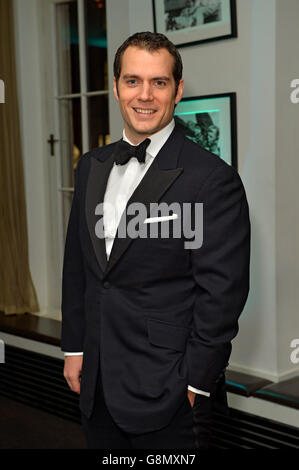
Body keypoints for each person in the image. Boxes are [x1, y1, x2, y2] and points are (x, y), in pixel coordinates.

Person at [61, 31, 250, 449]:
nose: (144, 95)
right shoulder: (91, 166)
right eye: (132, 81)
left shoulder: (212, 179)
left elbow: (222, 293)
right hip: (96, 380)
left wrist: (196, 385)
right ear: (116, 87)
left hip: (169, 389)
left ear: (177, 90)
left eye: (158, 82)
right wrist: (74, 346)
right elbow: (79, 265)